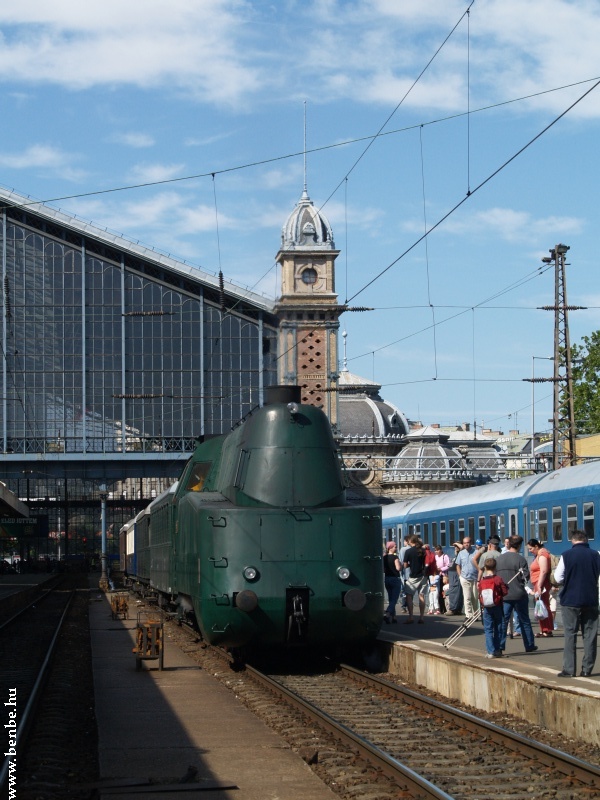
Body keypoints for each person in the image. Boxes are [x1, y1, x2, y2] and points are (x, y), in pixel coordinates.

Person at [554, 530, 600, 678]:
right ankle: (587, 669)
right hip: (590, 599)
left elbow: (558, 577)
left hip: (570, 600)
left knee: (570, 634)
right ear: (586, 540)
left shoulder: (566, 555)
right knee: (590, 635)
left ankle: (569, 669)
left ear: (572, 540)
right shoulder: (595, 555)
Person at [495, 536, 537, 654]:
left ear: (509, 545)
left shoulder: (499, 559)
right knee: (524, 620)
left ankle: (500, 646)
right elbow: (526, 577)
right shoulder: (521, 559)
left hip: (505, 595)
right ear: (518, 546)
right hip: (519, 594)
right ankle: (529, 645)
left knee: (503, 621)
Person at [478, 557, 508, 658]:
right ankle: (497, 650)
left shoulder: (482, 581)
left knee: (488, 629)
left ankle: (490, 651)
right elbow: (504, 592)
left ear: (485, 568)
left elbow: (480, 593)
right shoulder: (498, 579)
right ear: (495, 567)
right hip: (497, 606)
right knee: (498, 628)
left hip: (486, 607)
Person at [527, 538, 554, 637]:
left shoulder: (542, 555)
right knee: (541, 605)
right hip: (539, 583)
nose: (530, 551)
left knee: (543, 605)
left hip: (541, 584)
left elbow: (543, 571)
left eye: (530, 549)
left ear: (536, 546)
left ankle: (546, 630)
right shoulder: (539, 554)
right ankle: (544, 629)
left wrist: (539, 585)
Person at [403, 535, 428, 624]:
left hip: (413, 576)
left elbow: (405, 565)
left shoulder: (408, 551)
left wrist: (411, 564)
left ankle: (411, 617)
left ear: (410, 541)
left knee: (409, 596)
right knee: (421, 596)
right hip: (423, 576)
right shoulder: (423, 551)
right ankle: (421, 617)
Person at [455, 537, 479, 618]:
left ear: (471, 542)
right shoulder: (461, 553)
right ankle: (468, 615)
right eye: (464, 543)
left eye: (467, 542)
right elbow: (458, 565)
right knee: (467, 597)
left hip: (475, 578)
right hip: (464, 578)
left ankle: (475, 614)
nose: (466, 544)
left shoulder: (477, 552)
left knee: (475, 598)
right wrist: (460, 576)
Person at [382, 540, 401, 624]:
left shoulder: (384, 557)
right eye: (395, 547)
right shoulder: (395, 557)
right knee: (394, 600)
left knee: (391, 598)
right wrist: (401, 566)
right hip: (395, 579)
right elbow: (398, 568)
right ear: (390, 548)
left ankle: (394, 617)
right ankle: (388, 613)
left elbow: (383, 569)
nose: (396, 548)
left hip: (387, 579)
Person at [445, 542, 464, 616]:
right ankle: (456, 609)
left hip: (455, 574)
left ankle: (453, 609)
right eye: (455, 546)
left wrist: (456, 543)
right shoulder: (456, 554)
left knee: (455, 590)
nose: (455, 547)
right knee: (455, 590)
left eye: (457, 546)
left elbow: (462, 547)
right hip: (452, 573)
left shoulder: (462, 552)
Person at [434, 545, 450, 612]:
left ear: (441, 550)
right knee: (437, 592)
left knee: (443, 592)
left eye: (437, 550)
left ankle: (445, 608)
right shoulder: (435, 557)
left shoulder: (445, 556)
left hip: (443, 576)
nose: (436, 551)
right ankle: (440, 608)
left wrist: (441, 569)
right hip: (437, 576)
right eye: (435, 550)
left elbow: (448, 565)